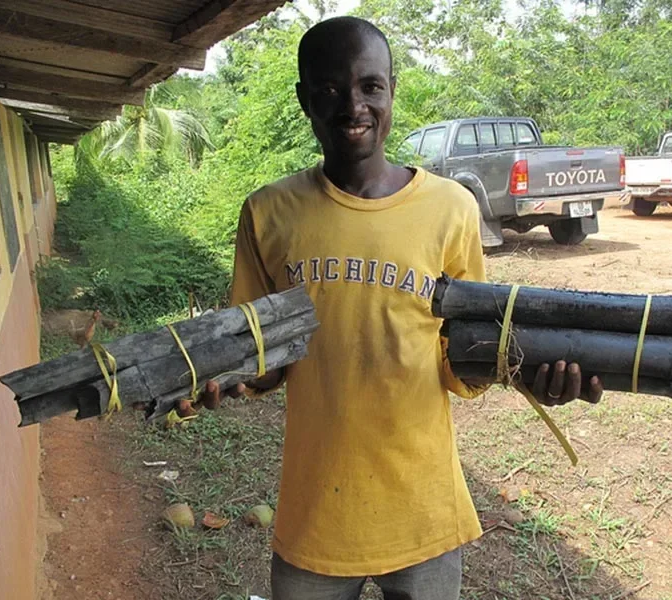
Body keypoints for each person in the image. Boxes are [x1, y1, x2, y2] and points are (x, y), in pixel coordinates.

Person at [200, 16, 603, 600]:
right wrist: (217, 376)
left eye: (369, 86)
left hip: (423, 514)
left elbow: (459, 358)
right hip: (315, 516)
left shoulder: (452, 209)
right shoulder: (268, 213)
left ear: (392, 90)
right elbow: (263, 358)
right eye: (331, 88)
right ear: (303, 97)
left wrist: (530, 372)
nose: (353, 105)